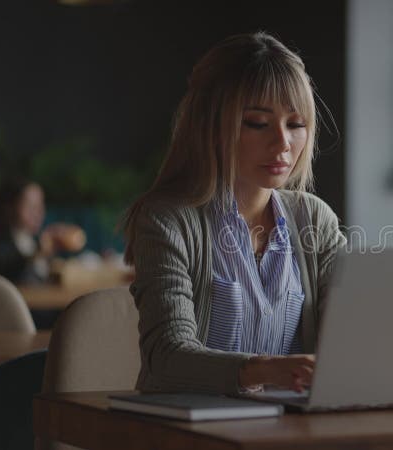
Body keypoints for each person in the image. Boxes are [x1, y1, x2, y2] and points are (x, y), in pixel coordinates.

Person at [122, 32, 346, 395]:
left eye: (296, 124)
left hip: (289, 429)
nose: (283, 144)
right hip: (188, 432)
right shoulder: (167, 220)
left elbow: (348, 335)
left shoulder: (314, 219)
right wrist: (265, 370)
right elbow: (166, 355)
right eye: (257, 123)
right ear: (210, 126)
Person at [0, 179, 85, 284]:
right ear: (9, 207)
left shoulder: (34, 239)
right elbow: (9, 272)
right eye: (30, 206)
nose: (38, 213)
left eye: (40, 205)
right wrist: (38, 252)